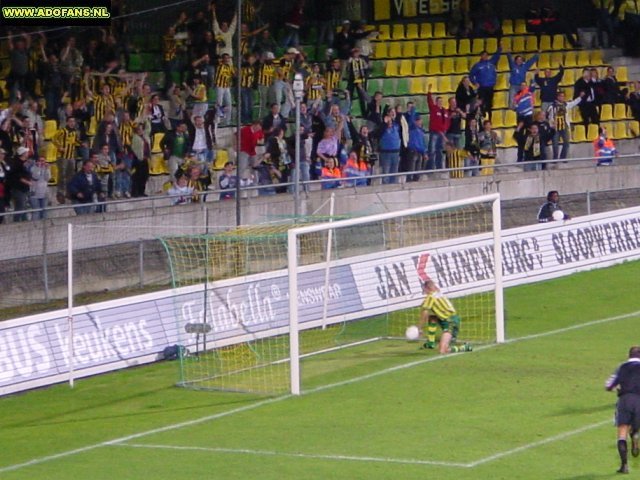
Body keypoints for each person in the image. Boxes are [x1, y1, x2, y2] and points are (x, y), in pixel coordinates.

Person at [605, 345, 640, 474]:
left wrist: (614, 388)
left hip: (625, 400)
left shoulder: (622, 367)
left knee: (622, 431)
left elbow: (609, 385)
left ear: (629, 355)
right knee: (636, 424)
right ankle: (635, 433)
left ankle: (624, 466)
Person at [418, 280, 472, 354]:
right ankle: (431, 343)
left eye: (424, 289)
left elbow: (425, 311)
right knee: (432, 317)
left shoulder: (430, 297)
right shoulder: (438, 293)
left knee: (442, 350)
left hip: (450, 323)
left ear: (427, 288)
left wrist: (419, 328)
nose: (424, 292)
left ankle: (464, 347)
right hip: (452, 319)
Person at [546, 90, 584, 160]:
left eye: (563, 96)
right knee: (555, 144)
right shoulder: (552, 106)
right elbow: (548, 115)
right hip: (555, 127)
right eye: (560, 96)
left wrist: (580, 97)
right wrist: (551, 124)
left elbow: (573, 103)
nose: (562, 98)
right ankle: (555, 159)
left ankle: (563, 158)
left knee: (566, 142)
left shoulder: (566, 104)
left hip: (564, 126)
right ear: (557, 97)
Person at [469, 45, 502, 116]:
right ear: (481, 56)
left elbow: (496, 56)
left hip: (490, 87)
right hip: (482, 87)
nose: (485, 56)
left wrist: (500, 49)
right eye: (483, 55)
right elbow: (471, 75)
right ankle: (482, 115)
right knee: (481, 102)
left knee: (489, 103)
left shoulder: (491, 63)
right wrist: (475, 83)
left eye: (486, 55)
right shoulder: (477, 65)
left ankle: (489, 117)